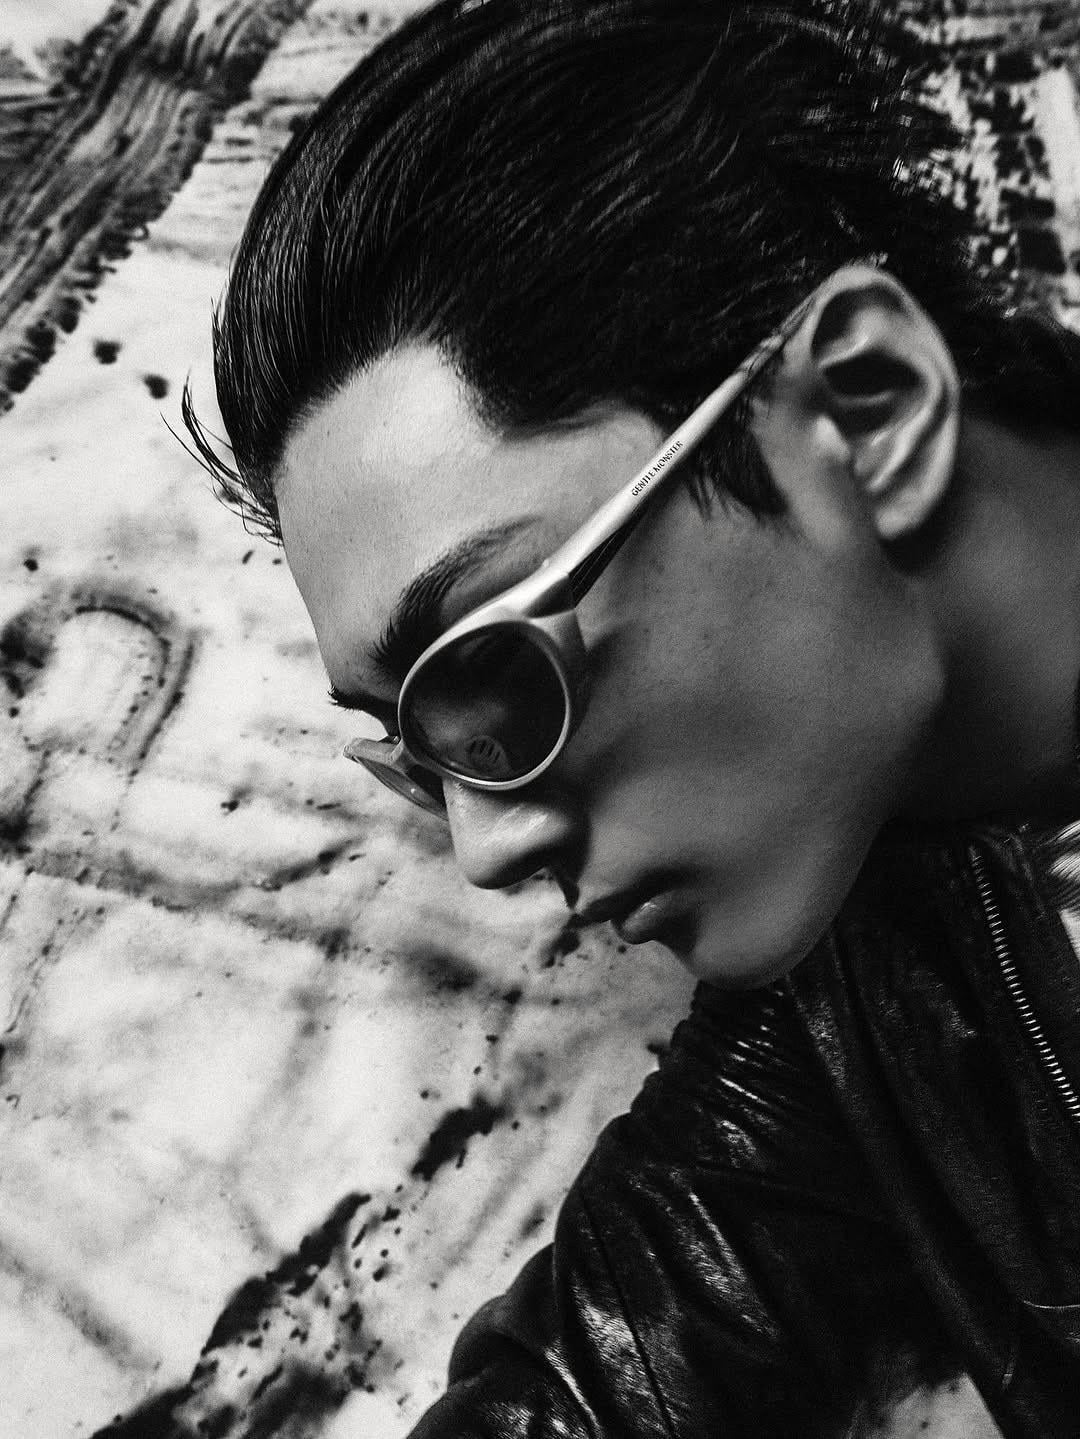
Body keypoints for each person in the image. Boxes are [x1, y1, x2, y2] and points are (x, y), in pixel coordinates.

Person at [184, 0, 1080, 1432]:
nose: (486, 852)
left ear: (870, 408)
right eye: (420, 753)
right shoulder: (880, 967)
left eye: (488, 681)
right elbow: (615, 1366)